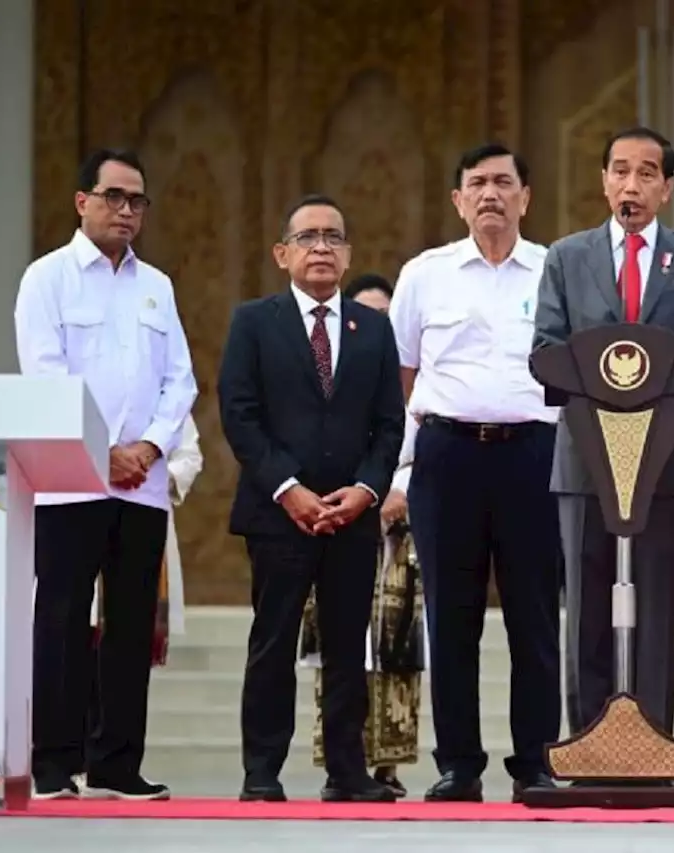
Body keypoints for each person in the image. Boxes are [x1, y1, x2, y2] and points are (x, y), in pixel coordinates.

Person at [532, 126, 674, 748]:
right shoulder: (568, 257)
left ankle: (652, 743)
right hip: (586, 459)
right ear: (603, 181)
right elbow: (546, 350)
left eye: (647, 173)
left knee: (655, 610)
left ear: (667, 187)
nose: (632, 184)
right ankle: (589, 741)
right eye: (620, 170)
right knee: (588, 608)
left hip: (664, 460)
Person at [14, 147, 198, 801]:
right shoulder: (47, 278)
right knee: (61, 617)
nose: (126, 210)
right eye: (114, 196)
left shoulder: (158, 286)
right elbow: (46, 373)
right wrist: (104, 452)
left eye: (137, 200)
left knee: (128, 625)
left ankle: (117, 759)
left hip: (141, 485)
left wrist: (147, 448)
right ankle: (53, 758)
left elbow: (180, 379)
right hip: (71, 477)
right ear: (81, 201)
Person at [389, 144, 562, 803]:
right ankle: (458, 763)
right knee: (452, 619)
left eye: (503, 182)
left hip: (532, 456)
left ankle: (536, 761)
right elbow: (403, 375)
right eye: (477, 184)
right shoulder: (425, 274)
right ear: (459, 200)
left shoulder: (556, 271)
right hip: (447, 454)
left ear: (526, 196)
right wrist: (404, 463)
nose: (490, 193)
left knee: (534, 615)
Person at [218, 195, 405, 803]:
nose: (321, 246)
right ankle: (262, 773)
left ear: (348, 254)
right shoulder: (254, 321)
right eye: (308, 237)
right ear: (282, 253)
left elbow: (389, 423)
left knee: (349, 649)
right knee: (273, 642)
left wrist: (367, 491)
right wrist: (290, 489)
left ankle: (347, 774)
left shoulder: (373, 328)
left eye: (333, 237)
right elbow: (240, 416)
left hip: (352, 517)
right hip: (279, 516)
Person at [298, 273, 423, 798]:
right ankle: (340, 759)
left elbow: (418, 445)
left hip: (396, 531)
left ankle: (388, 766)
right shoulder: (331, 384)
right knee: (342, 645)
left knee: (394, 651)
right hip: (335, 518)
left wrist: (392, 495)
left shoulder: (416, 390)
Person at [80, 413, 203, 787]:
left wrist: (142, 465)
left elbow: (188, 455)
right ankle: (68, 758)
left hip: (141, 505)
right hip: (80, 508)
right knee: (76, 643)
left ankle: (113, 762)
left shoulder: (164, 395)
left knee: (125, 641)